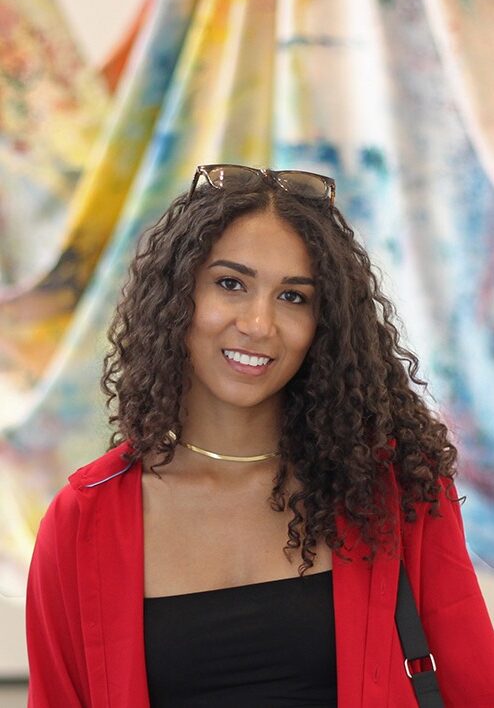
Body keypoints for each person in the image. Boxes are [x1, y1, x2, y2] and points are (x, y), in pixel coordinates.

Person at [26, 164, 494, 707]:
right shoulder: (85, 519)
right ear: (177, 297)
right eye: (231, 284)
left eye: (293, 297)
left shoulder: (391, 489)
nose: (259, 324)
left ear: (327, 323)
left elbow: (474, 687)